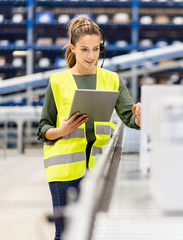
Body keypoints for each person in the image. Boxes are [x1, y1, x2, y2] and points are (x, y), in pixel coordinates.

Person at [37, 16, 141, 240]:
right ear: (73, 48)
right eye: (84, 49)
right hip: (63, 169)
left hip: (99, 169)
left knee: (92, 230)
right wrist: (61, 130)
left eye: (96, 49)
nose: (91, 56)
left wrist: (140, 117)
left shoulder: (112, 80)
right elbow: (43, 128)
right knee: (64, 232)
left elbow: (130, 119)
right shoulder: (57, 81)